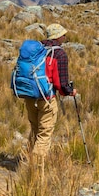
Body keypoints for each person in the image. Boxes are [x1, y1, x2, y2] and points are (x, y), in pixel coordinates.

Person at [24, 23, 77, 164]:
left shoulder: (36, 48)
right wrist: (70, 91)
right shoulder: (59, 53)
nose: (65, 37)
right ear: (58, 36)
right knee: (44, 134)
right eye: (63, 35)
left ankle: (26, 160)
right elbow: (61, 85)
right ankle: (35, 169)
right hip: (47, 98)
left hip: (29, 95)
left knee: (35, 129)